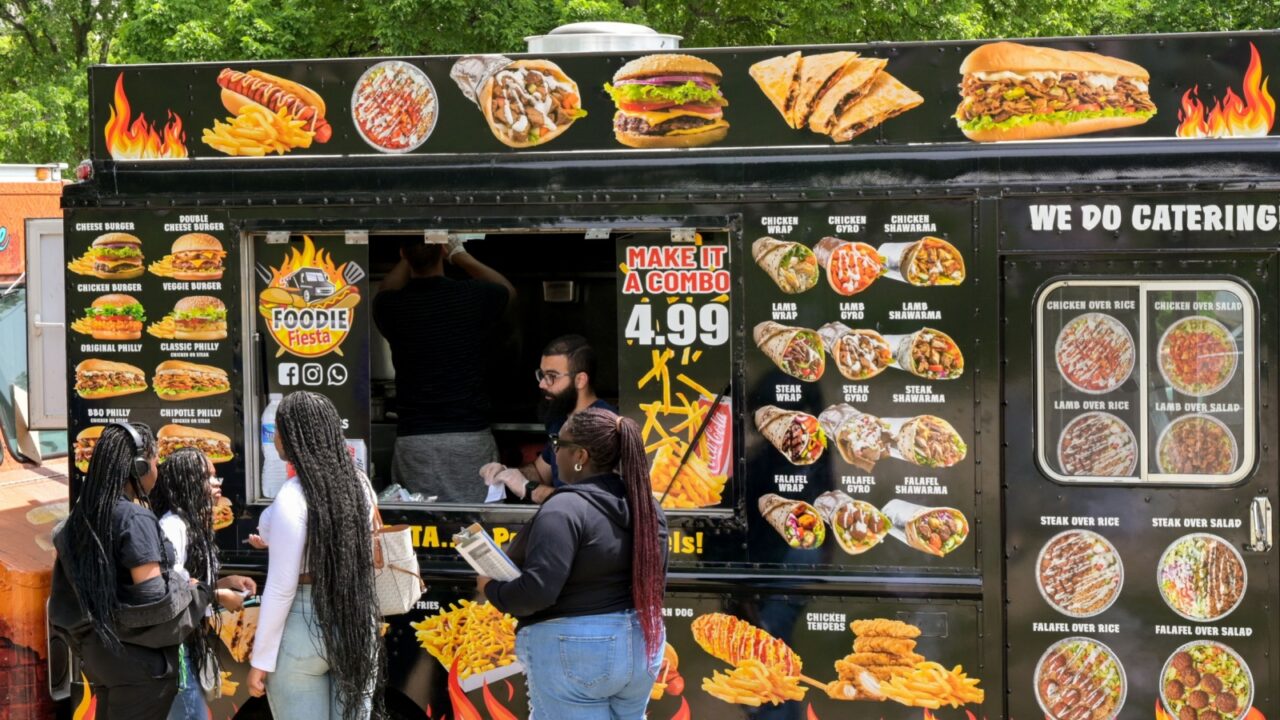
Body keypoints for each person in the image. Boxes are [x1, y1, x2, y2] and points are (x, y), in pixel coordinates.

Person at [479, 407, 668, 719]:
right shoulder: (648, 506)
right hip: (643, 645)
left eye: (558, 444)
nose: (553, 452)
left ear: (580, 455)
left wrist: (492, 589)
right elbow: (656, 580)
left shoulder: (564, 508)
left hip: (577, 651)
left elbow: (536, 593)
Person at [49, 423, 211, 720]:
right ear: (139, 465)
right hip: (140, 669)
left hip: (101, 659)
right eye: (155, 461)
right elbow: (153, 603)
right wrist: (190, 587)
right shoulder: (134, 519)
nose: (157, 470)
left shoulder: (79, 519)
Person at [246, 391, 383, 720]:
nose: (275, 438)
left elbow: (281, 587)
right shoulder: (360, 485)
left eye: (278, 430)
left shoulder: (292, 496)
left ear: (293, 436)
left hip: (303, 625)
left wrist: (260, 660)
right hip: (355, 621)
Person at [374, 235, 515, 503]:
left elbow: (383, 294)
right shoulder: (471, 295)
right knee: (479, 529)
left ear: (403, 253)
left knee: (418, 529)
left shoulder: (393, 306)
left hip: (415, 442)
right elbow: (506, 290)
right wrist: (459, 254)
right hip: (469, 439)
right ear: (441, 248)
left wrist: (409, 255)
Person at [152, 448, 258, 720]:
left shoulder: (193, 524)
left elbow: (191, 581)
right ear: (186, 481)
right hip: (176, 647)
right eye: (207, 477)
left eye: (215, 476)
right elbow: (172, 590)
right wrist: (218, 595)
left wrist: (226, 582)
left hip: (190, 643)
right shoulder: (173, 526)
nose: (217, 483)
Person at [481, 335, 616, 504]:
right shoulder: (559, 419)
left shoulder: (602, 427)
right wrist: (507, 474)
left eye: (552, 376)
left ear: (580, 380)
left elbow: (589, 501)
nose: (542, 384)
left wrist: (529, 489)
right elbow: (540, 472)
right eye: (542, 375)